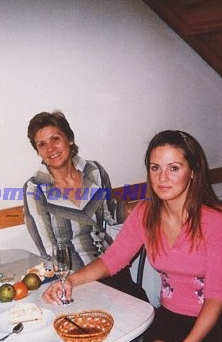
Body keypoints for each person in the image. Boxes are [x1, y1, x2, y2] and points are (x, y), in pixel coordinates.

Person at [43, 130, 222, 342]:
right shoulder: (145, 213)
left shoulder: (217, 221)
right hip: (172, 317)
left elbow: (217, 297)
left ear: (193, 171)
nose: (162, 178)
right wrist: (70, 281)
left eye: (173, 168)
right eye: (155, 168)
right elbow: (112, 260)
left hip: (219, 325)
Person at [23, 110, 147, 301]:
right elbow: (48, 250)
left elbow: (111, 213)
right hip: (74, 280)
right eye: (42, 144)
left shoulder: (93, 171)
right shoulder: (35, 189)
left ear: (69, 139)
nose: (50, 148)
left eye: (55, 139)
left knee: (140, 304)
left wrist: (144, 206)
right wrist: (69, 282)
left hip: (109, 265)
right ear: (38, 151)